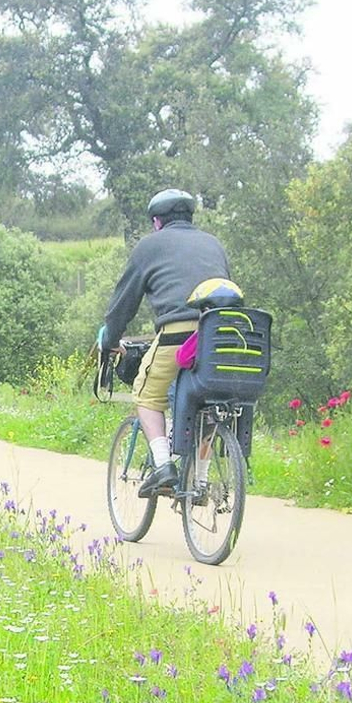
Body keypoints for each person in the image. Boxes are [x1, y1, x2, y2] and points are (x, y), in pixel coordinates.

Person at [98, 188, 231, 497]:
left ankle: (163, 467)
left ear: (157, 222)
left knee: (146, 395)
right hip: (221, 333)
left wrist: (111, 340)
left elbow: (124, 303)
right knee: (209, 406)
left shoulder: (149, 246)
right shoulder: (213, 244)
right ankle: (200, 482)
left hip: (179, 334)